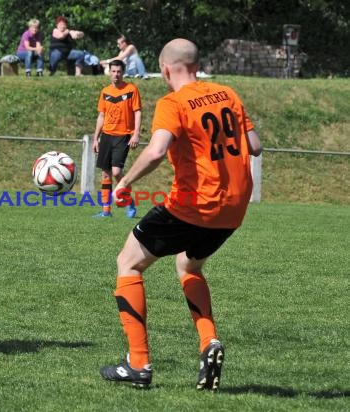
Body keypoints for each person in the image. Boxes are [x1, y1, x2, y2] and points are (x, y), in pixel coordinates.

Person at [99, 38, 262, 390]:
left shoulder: (173, 102)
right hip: (233, 210)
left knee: (128, 262)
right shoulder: (228, 94)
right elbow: (255, 146)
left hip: (194, 204)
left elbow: (157, 150)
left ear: (167, 69)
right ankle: (208, 341)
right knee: (188, 265)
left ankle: (138, 364)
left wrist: (125, 181)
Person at [92, 59, 141, 219]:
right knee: (105, 174)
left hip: (123, 135)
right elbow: (101, 115)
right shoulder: (105, 91)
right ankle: (106, 211)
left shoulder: (131, 89)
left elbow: (137, 112)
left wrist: (136, 133)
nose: (116, 74)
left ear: (123, 72)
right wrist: (95, 138)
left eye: (119, 71)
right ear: (109, 72)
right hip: (106, 136)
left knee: (116, 172)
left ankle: (129, 202)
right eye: (113, 71)